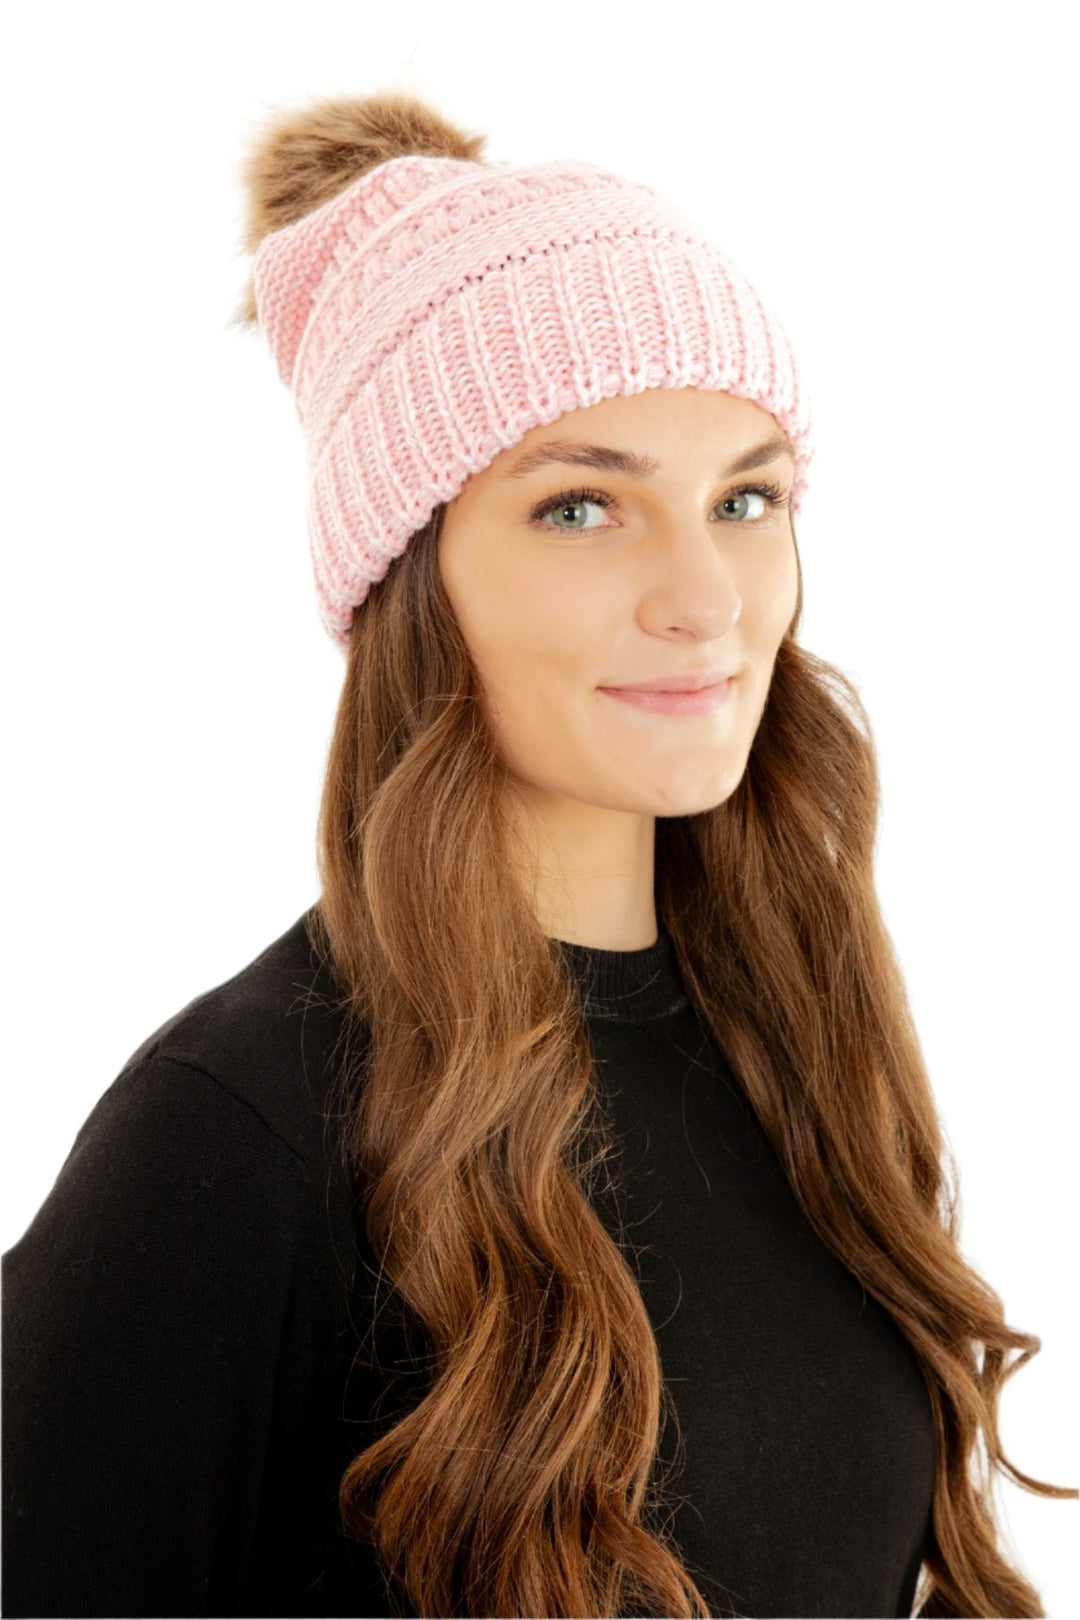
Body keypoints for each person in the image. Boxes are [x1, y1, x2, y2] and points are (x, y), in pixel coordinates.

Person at [2, 88, 1073, 1620]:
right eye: (582, 507)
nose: (706, 597)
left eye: (746, 498)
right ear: (410, 578)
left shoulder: (798, 1056)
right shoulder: (237, 1136)